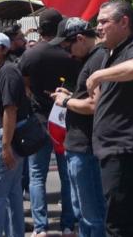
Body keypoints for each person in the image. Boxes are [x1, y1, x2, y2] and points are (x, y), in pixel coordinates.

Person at [87, 1, 133, 237]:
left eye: (104, 21)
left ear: (124, 22)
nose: (98, 27)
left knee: (118, 226)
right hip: (116, 151)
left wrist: (99, 74)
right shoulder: (113, 53)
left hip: (125, 151)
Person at [17, 8, 79, 237]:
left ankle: (40, 227)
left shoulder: (30, 54)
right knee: (67, 175)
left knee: (36, 175)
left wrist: (32, 94)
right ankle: (67, 224)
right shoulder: (69, 55)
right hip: (64, 119)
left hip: (38, 120)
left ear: (40, 28)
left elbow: (20, 80)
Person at [52, 17, 107, 237]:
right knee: (84, 212)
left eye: (68, 47)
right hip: (79, 146)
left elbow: (95, 104)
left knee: (91, 214)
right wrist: (72, 96)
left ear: (81, 39)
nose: (69, 53)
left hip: (86, 147)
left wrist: (66, 102)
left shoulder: (97, 60)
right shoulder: (91, 59)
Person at [0, 32, 30, 237]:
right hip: (7, 136)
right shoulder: (1, 70)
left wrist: (5, 145)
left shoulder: (8, 72)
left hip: (5, 137)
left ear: (5, 49)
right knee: (11, 196)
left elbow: (11, 110)